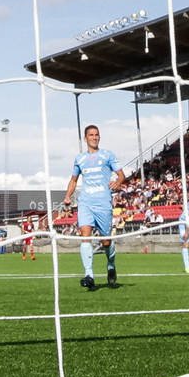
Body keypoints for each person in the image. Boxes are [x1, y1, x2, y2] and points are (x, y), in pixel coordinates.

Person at [61, 125, 126, 292]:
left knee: (105, 241)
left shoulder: (107, 155)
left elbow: (121, 175)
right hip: (86, 203)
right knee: (85, 235)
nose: (94, 137)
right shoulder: (80, 159)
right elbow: (74, 180)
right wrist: (68, 196)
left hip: (103, 203)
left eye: (97, 135)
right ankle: (89, 275)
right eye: (91, 135)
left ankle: (111, 265)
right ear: (85, 138)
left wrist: (117, 182)